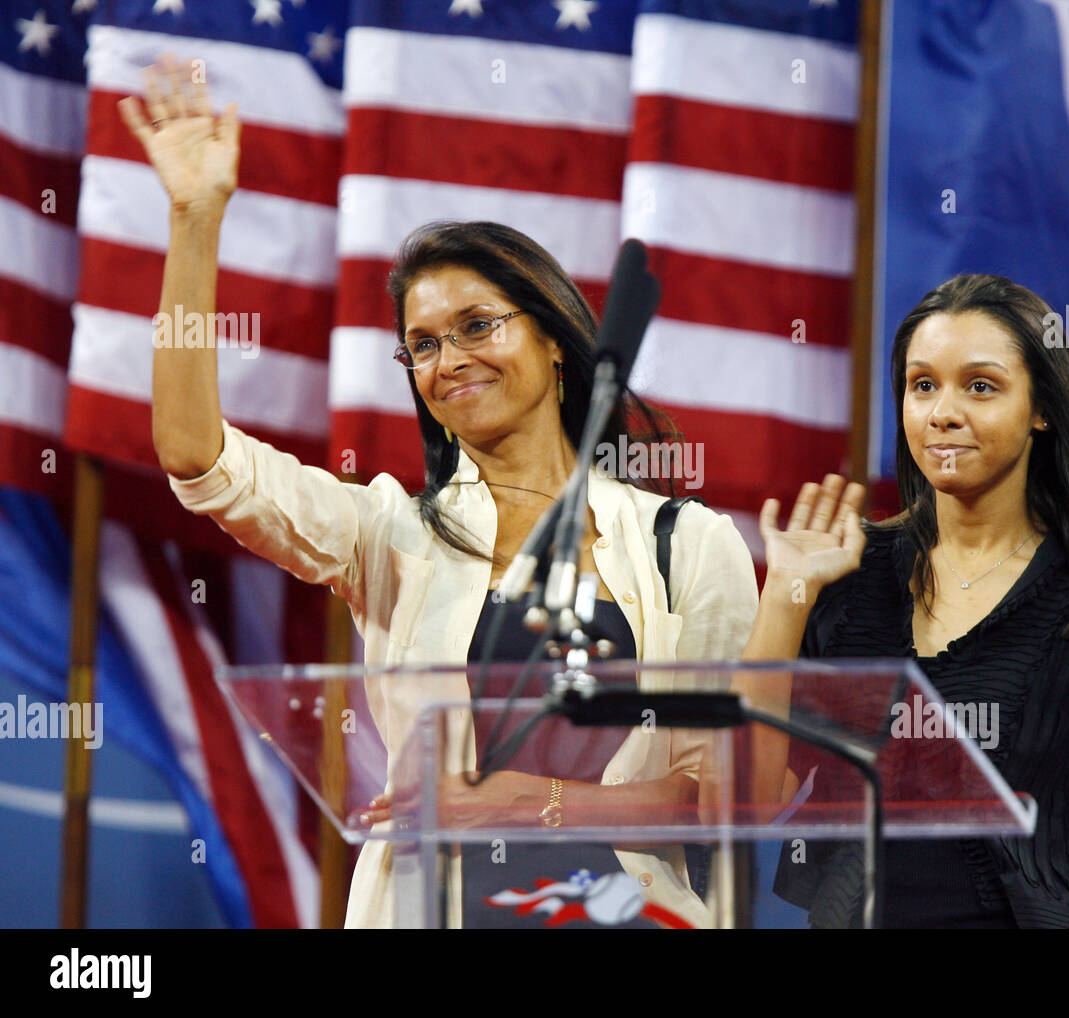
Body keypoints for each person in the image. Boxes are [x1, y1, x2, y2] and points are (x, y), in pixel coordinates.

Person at [119, 55, 757, 928]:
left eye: (476, 326)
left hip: (625, 913)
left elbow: (719, 797)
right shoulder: (389, 534)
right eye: (420, 344)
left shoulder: (686, 543)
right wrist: (195, 219)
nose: (449, 359)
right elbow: (196, 455)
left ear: (555, 339)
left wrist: (526, 804)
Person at [745, 274, 1069, 927]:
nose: (943, 412)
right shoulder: (846, 578)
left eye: (980, 386)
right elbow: (751, 799)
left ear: (1042, 408)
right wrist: (787, 593)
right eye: (923, 385)